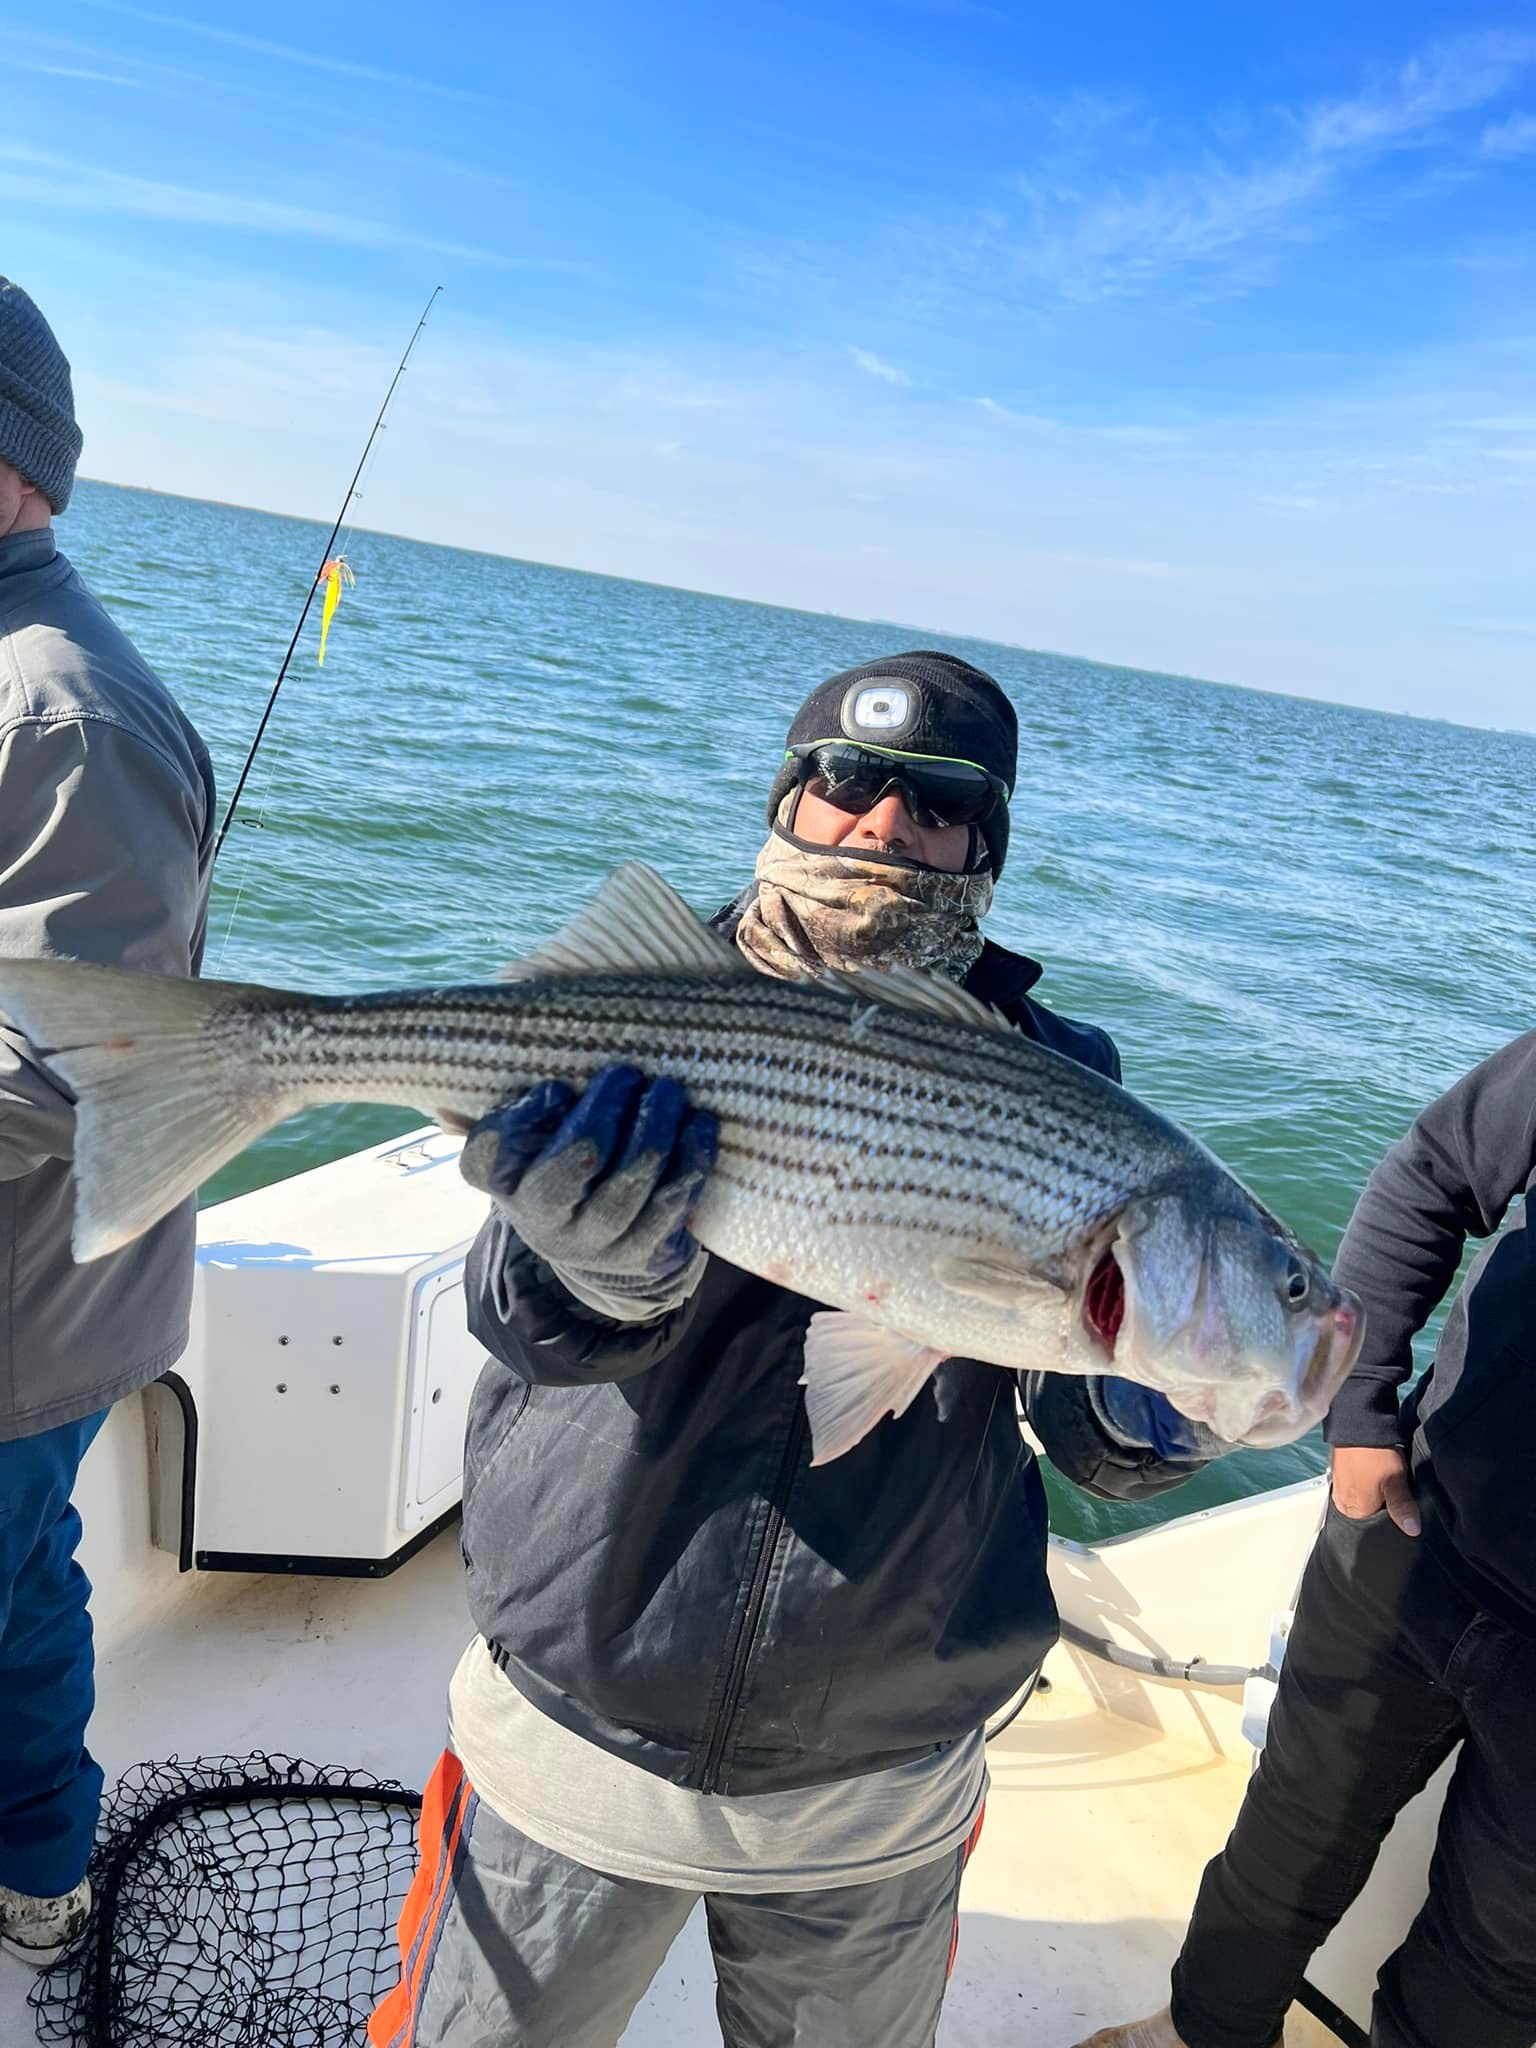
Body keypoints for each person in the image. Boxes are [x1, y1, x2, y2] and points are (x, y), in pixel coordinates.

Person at [372, 651, 1233, 2048]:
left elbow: (1078, 1424)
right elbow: (514, 1322)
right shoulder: (641, 1008)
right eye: (843, 780)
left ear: (986, 849)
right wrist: (588, 1268)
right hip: (587, 1703)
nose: (881, 826)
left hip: (880, 1760)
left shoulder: (1066, 1084)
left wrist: (1146, 1417)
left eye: (936, 805)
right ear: (787, 798)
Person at [1077, 1032, 1536, 2048]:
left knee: (1504, 1950)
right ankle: (1200, 2031)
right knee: (1288, 1832)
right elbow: (1436, 1172)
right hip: (1416, 1538)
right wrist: (1364, 1416)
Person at [0, 280, 216, 1965]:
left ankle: (42, 1862)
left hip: (24, 1308)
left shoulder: (65, 713)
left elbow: (70, 1070)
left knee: (6, 1595)